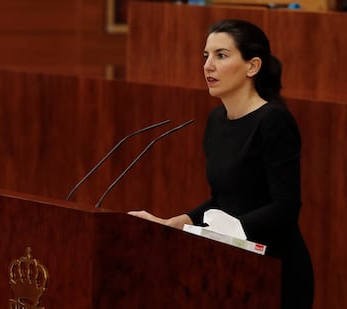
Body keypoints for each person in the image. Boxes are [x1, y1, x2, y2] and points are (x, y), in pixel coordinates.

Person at [129, 19, 314, 308]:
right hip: (230, 265)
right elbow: (224, 199)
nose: (208, 66)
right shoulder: (217, 120)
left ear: (253, 66)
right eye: (206, 56)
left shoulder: (273, 121)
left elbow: (286, 207)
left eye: (221, 55)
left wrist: (230, 228)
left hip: (275, 269)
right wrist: (184, 221)